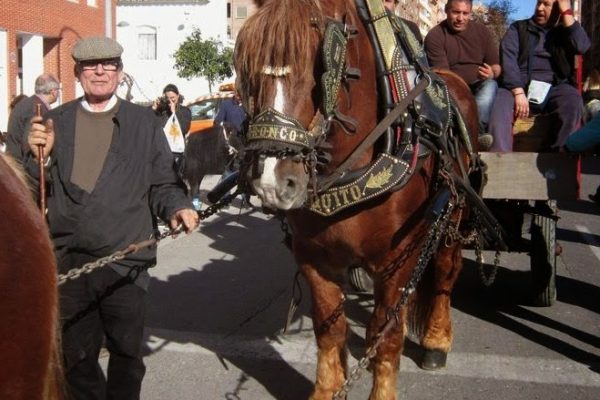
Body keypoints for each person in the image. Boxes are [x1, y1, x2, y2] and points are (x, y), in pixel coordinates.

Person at [25, 36, 199, 399]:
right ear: (77, 73)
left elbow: (163, 182)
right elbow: (30, 188)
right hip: (71, 262)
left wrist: (178, 207)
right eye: (91, 66)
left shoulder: (144, 124)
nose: (100, 71)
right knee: (76, 360)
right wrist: (39, 156)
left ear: (120, 73)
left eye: (108, 65)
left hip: (126, 260)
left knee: (126, 356)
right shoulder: (56, 121)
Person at [488, 0, 591, 152]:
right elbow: (508, 60)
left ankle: (559, 156)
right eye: (539, 3)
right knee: (500, 104)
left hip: (555, 86)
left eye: (546, 4)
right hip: (519, 84)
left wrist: (567, 13)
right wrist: (517, 91)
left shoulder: (565, 32)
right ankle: (500, 158)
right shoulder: (518, 28)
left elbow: (582, 46)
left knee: (573, 101)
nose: (540, 8)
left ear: (558, 9)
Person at [424, 0, 500, 150]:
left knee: (491, 86)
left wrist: (492, 72)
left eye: (465, 13)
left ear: (470, 13)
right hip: (452, 87)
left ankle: (475, 134)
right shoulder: (435, 36)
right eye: (456, 12)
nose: (460, 18)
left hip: (480, 83)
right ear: (447, 11)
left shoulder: (482, 32)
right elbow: (444, 76)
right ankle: (468, 138)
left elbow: (496, 66)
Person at [5, 74, 60, 161]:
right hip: (21, 167)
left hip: (13, 162)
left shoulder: (25, 104)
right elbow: (29, 145)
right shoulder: (38, 109)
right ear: (53, 91)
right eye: (58, 90)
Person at [152, 83, 192, 175]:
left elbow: (183, 129)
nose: (170, 101)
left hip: (176, 153)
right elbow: (149, 124)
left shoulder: (184, 111)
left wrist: (174, 112)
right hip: (160, 152)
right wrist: (153, 109)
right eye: (167, 98)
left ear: (178, 96)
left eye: (172, 98)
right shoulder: (161, 111)